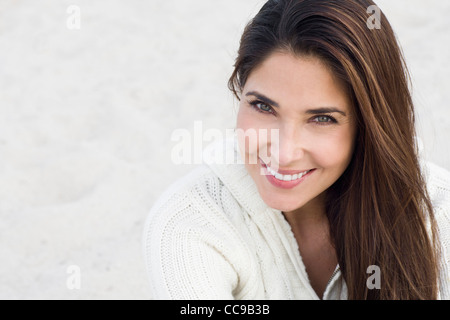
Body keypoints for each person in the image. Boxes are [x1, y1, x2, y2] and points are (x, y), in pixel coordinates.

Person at [143, 0, 450, 299]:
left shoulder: (439, 214)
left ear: (368, 126)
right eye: (263, 106)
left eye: (322, 118)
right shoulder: (190, 220)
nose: (284, 153)